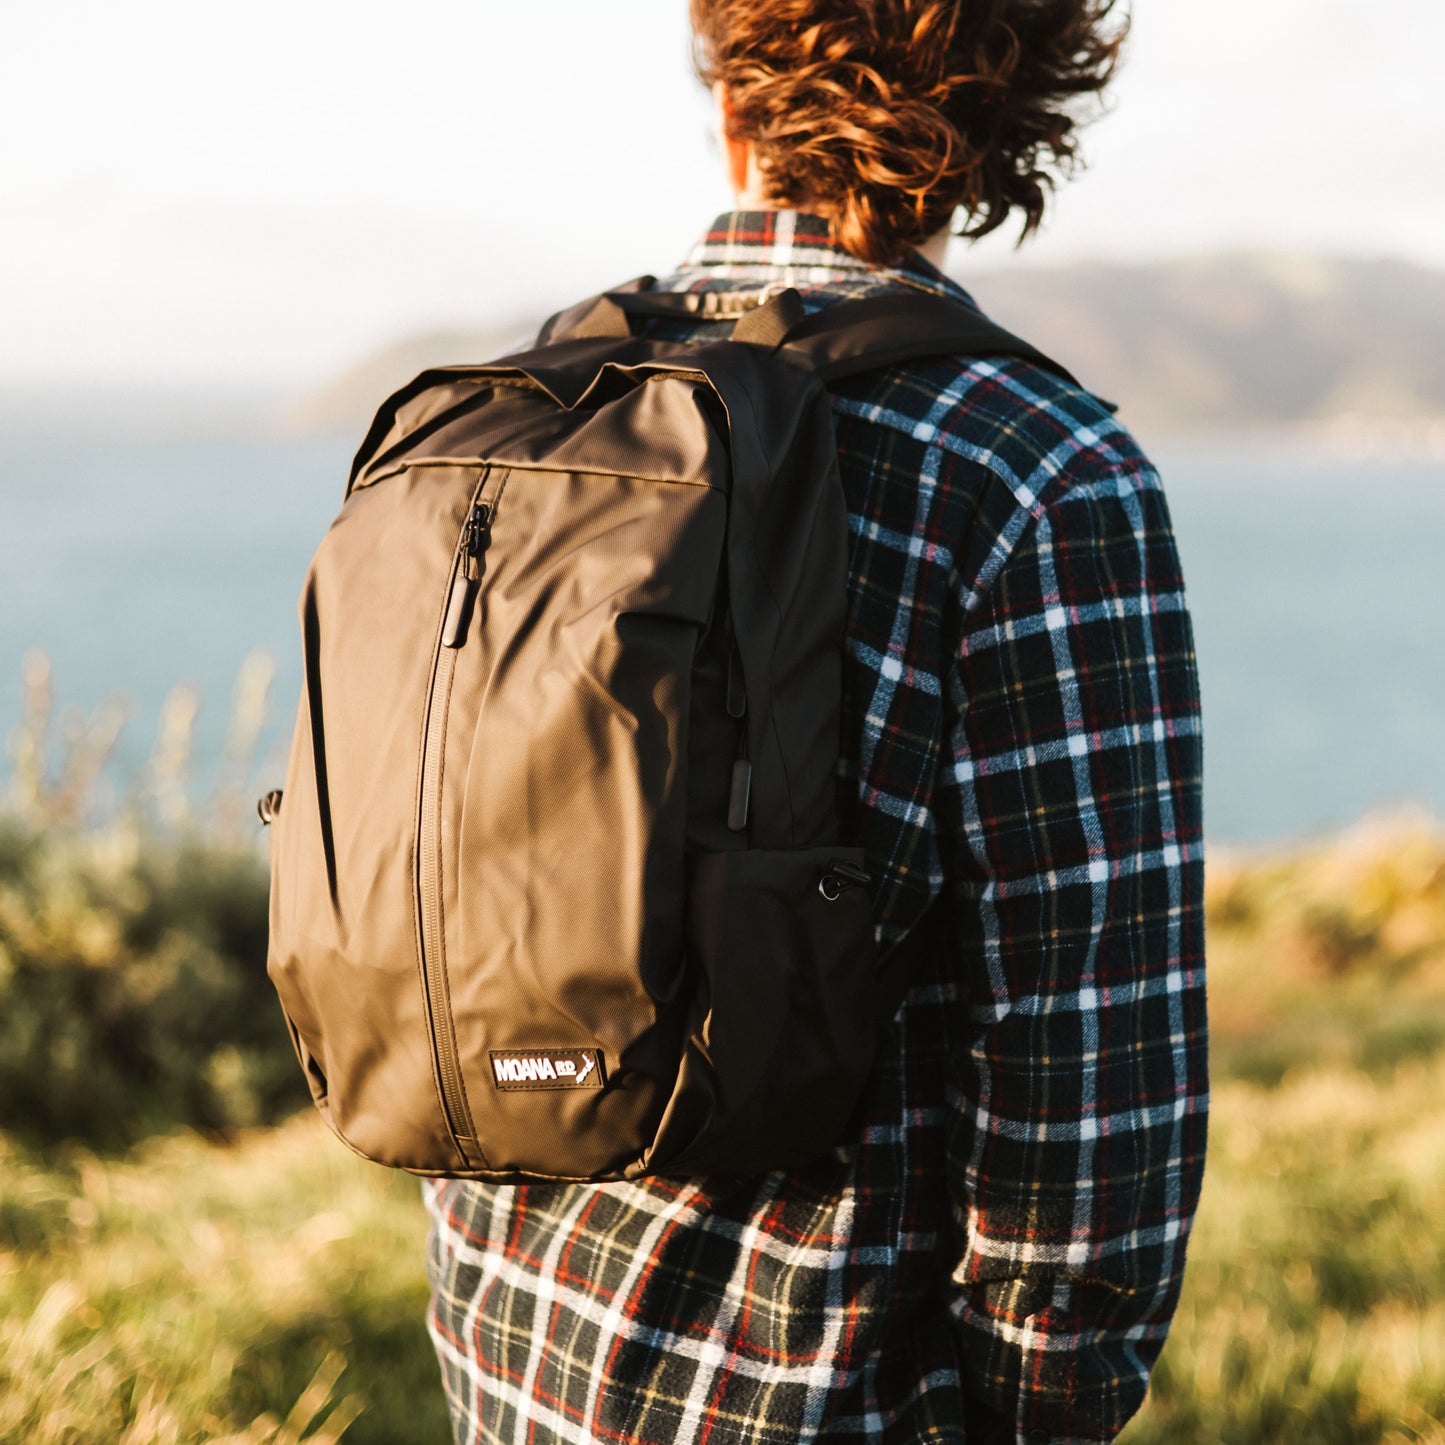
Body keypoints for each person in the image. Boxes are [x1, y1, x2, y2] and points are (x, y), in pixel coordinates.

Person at [422, 1, 1207, 1441]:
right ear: (1006, 123)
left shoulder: (557, 396)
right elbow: (1085, 1073)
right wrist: (1041, 1408)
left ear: (731, 90)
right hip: (815, 1383)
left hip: (510, 1337)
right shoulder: (1040, 472)